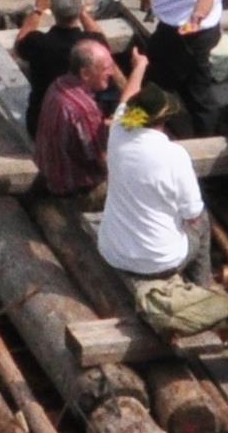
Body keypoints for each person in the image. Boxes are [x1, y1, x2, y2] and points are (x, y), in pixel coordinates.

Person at [93, 52, 209, 279]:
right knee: (203, 220)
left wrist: (140, 66)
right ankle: (204, 282)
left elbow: (126, 99)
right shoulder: (174, 155)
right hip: (160, 261)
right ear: (163, 121)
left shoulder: (118, 130)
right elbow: (193, 214)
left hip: (113, 251)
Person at [28, 33, 114, 197]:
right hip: (72, 186)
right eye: (106, 68)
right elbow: (101, 159)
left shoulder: (58, 84)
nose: (111, 73)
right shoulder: (85, 109)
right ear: (85, 73)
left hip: (48, 168)